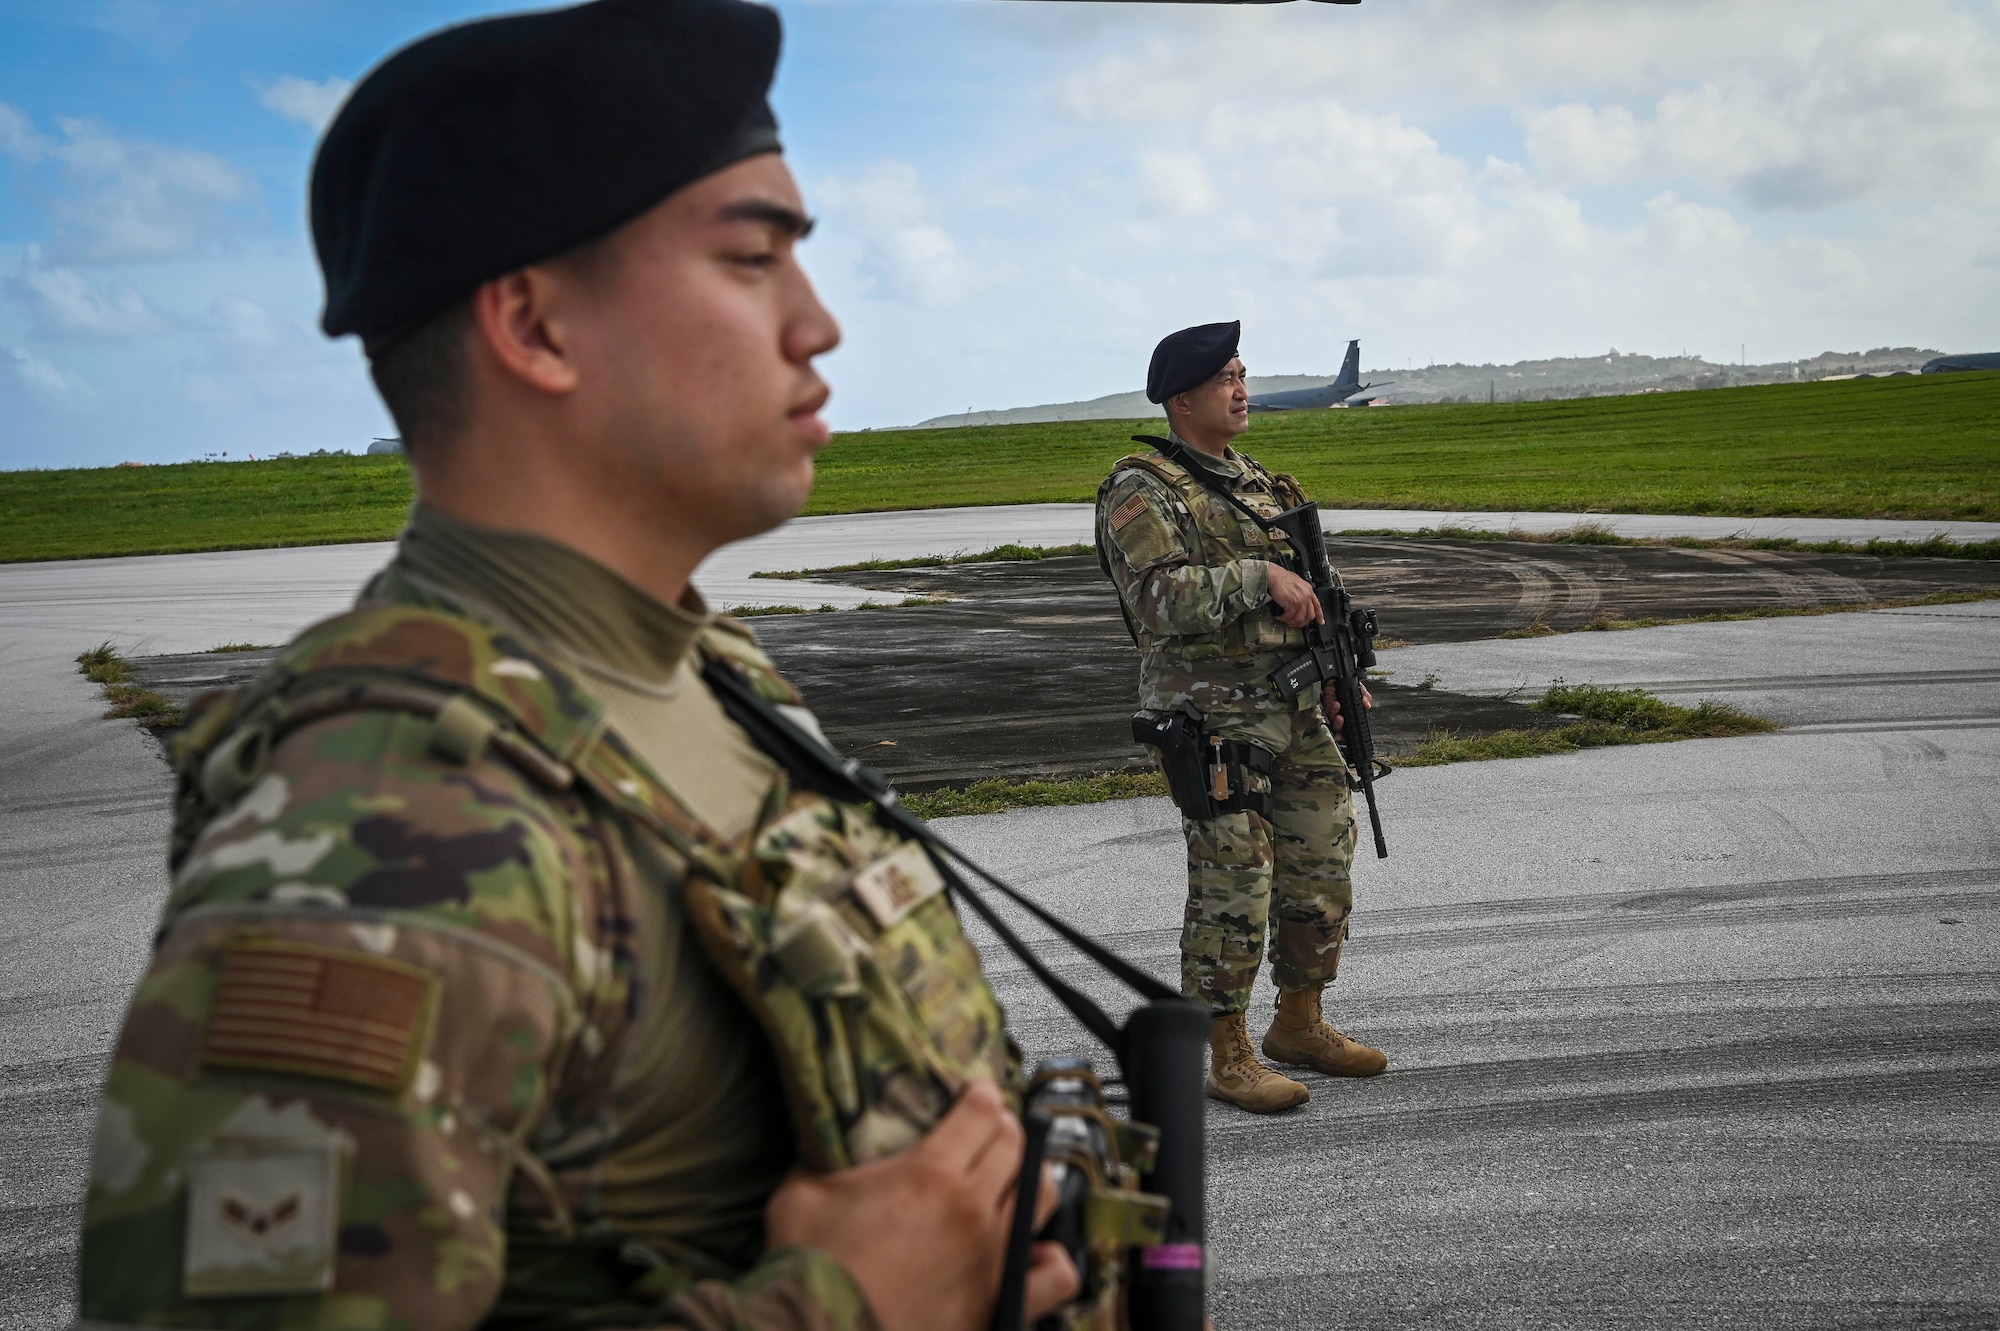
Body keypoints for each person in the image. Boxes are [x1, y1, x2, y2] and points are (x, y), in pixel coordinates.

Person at [73, 2, 1077, 1327]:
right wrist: (844, 1306)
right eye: (751, 258)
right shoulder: (384, 832)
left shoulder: (712, 677)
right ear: (536, 327)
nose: (819, 324)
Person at [1095, 321, 1389, 1116]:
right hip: (1212, 715)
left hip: (1294, 704)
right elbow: (1158, 597)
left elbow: (1319, 594)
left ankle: (1302, 1022)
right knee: (1234, 881)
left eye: (1243, 372)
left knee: (1323, 862)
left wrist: (1340, 672)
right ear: (1180, 398)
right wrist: (1256, 575)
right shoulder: (1141, 488)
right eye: (1225, 377)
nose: (1242, 388)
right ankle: (1227, 1051)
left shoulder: (1267, 484)